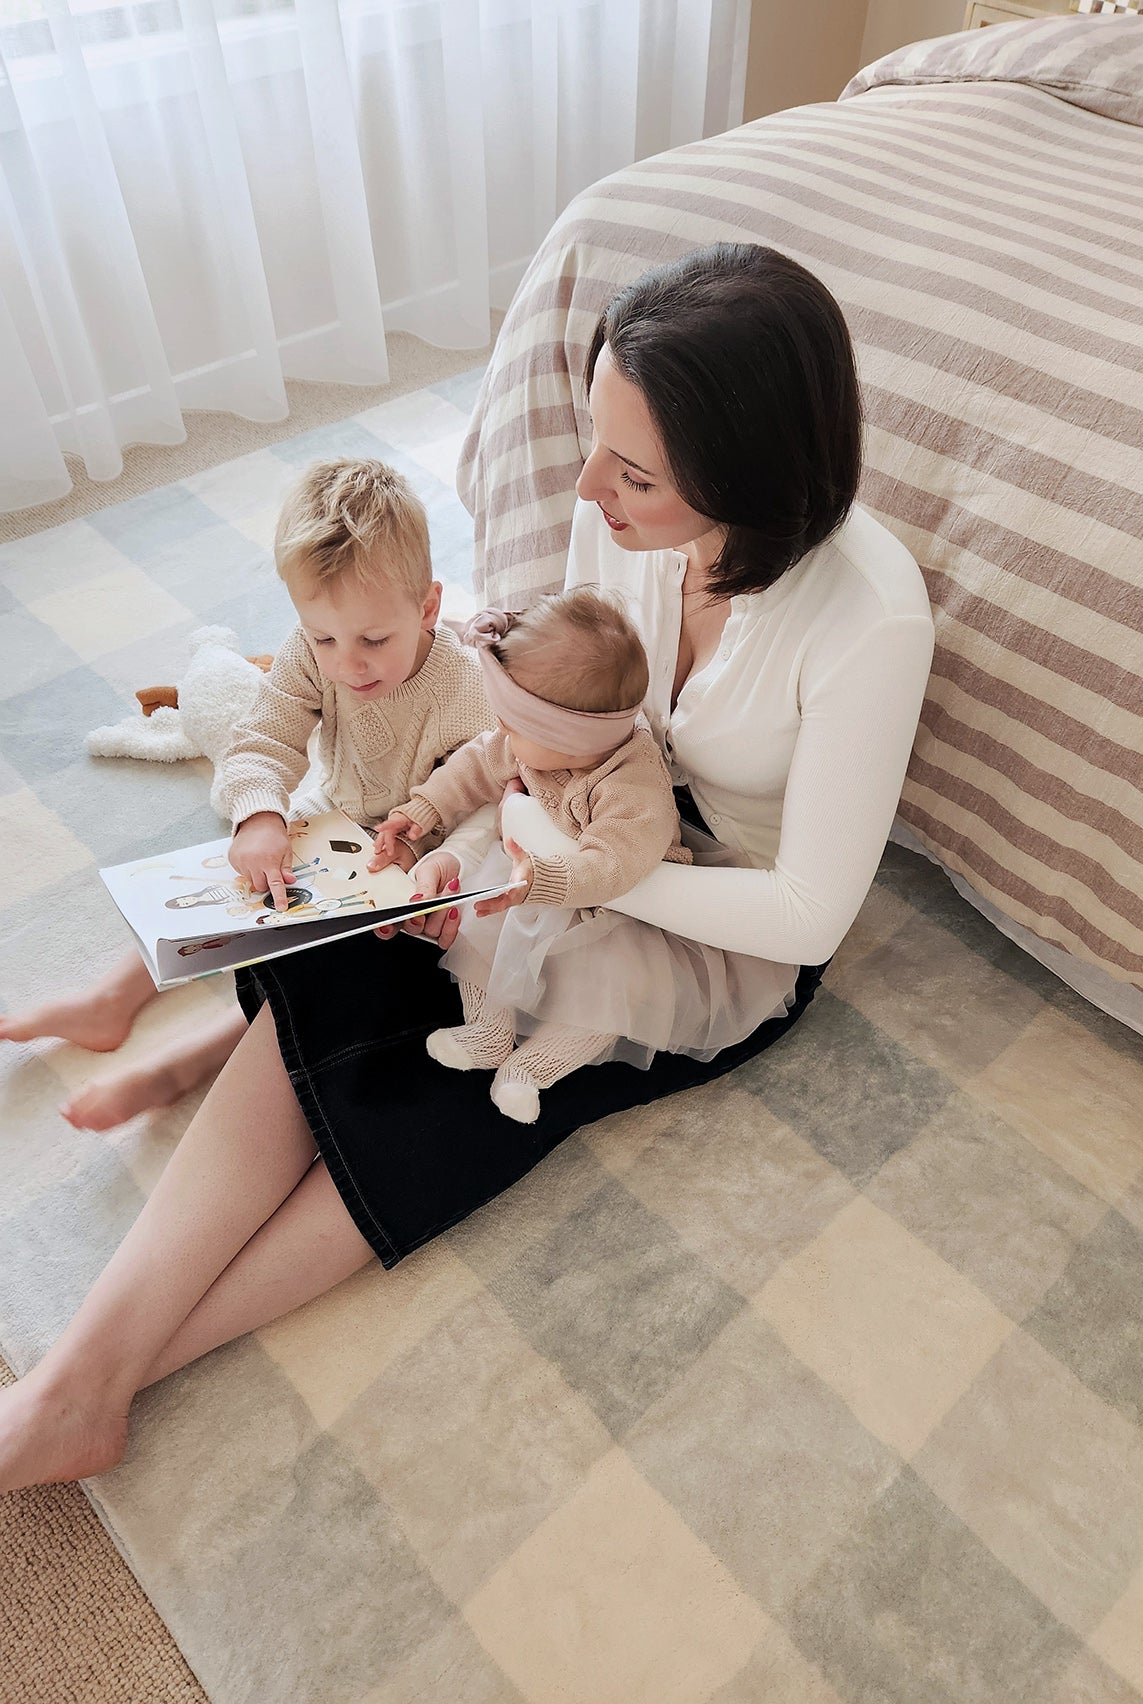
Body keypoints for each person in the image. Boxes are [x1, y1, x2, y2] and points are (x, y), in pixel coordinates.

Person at [0, 242, 934, 1493]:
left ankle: (93, 1387)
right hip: (565, 829)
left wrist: (564, 874)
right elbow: (554, 711)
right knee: (366, 952)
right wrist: (480, 827)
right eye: (595, 437)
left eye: (634, 470)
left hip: (713, 936)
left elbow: (812, 916)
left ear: (746, 475)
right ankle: (77, 1377)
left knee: (455, 1097)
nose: (589, 483)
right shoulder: (620, 529)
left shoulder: (870, 615)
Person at [0, 457, 491, 1131]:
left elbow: (490, 797)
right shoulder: (309, 651)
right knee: (237, 882)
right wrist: (259, 813)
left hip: (414, 857)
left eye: (375, 639)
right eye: (325, 637)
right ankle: (111, 1000)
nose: (348, 662)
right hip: (336, 811)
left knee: (310, 976)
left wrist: (442, 866)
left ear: (429, 606)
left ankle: (180, 1065)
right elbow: (263, 736)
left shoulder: (466, 688)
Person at [387, 588, 798, 1124]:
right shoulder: (532, 744)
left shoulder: (634, 788)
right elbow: (476, 764)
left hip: (623, 909)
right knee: (477, 927)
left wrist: (547, 877)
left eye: (513, 726)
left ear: (570, 736)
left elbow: (616, 864)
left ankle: (533, 1068)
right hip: (536, 880)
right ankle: (489, 1032)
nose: (501, 734)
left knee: (619, 991)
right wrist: (423, 811)